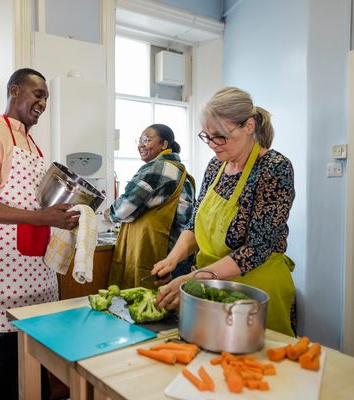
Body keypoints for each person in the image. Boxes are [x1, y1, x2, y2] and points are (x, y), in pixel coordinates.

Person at [0, 68, 79, 400]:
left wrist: (64, 215)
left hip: (36, 259)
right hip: (6, 260)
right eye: (37, 93)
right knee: (10, 344)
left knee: (36, 342)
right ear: (14, 90)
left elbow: (36, 200)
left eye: (46, 97)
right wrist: (43, 217)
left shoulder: (31, 142)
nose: (43, 102)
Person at [154, 87, 297, 337]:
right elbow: (195, 224)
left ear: (249, 126)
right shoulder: (216, 166)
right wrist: (173, 259)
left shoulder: (274, 168)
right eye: (207, 136)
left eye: (219, 136)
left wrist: (192, 279)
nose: (212, 145)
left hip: (257, 290)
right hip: (210, 285)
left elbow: (257, 249)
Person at [106, 123, 195, 289]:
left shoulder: (159, 168)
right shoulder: (178, 168)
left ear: (164, 144)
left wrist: (107, 214)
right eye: (140, 140)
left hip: (165, 256)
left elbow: (124, 208)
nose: (141, 144)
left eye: (147, 140)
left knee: (151, 303)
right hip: (180, 253)